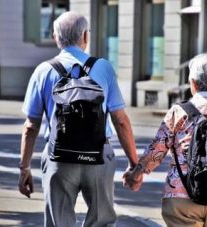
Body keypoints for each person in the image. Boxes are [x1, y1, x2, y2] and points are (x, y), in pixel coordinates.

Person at [18, 11, 139, 227]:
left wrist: (24, 168)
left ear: (56, 38)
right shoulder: (103, 68)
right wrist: (134, 165)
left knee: (59, 222)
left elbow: (31, 126)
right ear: (85, 36)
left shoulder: (43, 71)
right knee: (101, 221)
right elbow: (120, 120)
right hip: (99, 158)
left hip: (59, 160)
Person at [123, 54, 207, 227]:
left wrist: (136, 174)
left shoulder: (178, 112)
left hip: (182, 199)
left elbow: (156, 151)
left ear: (194, 83)